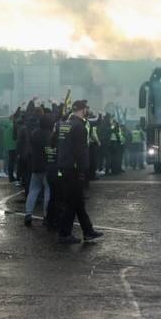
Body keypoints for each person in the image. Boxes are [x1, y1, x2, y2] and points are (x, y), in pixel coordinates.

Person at [56, 100, 103, 244]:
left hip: (65, 166)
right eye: (86, 109)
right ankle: (64, 234)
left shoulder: (64, 124)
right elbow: (80, 151)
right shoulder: (80, 127)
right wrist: (83, 171)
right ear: (82, 110)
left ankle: (88, 231)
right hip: (74, 170)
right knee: (72, 203)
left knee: (78, 202)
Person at [24, 115, 53, 226]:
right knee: (48, 191)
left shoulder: (35, 133)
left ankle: (28, 214)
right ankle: (46, 216)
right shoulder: (50, 135)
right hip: (47, 166)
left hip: (36, 166)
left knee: (33, 190)